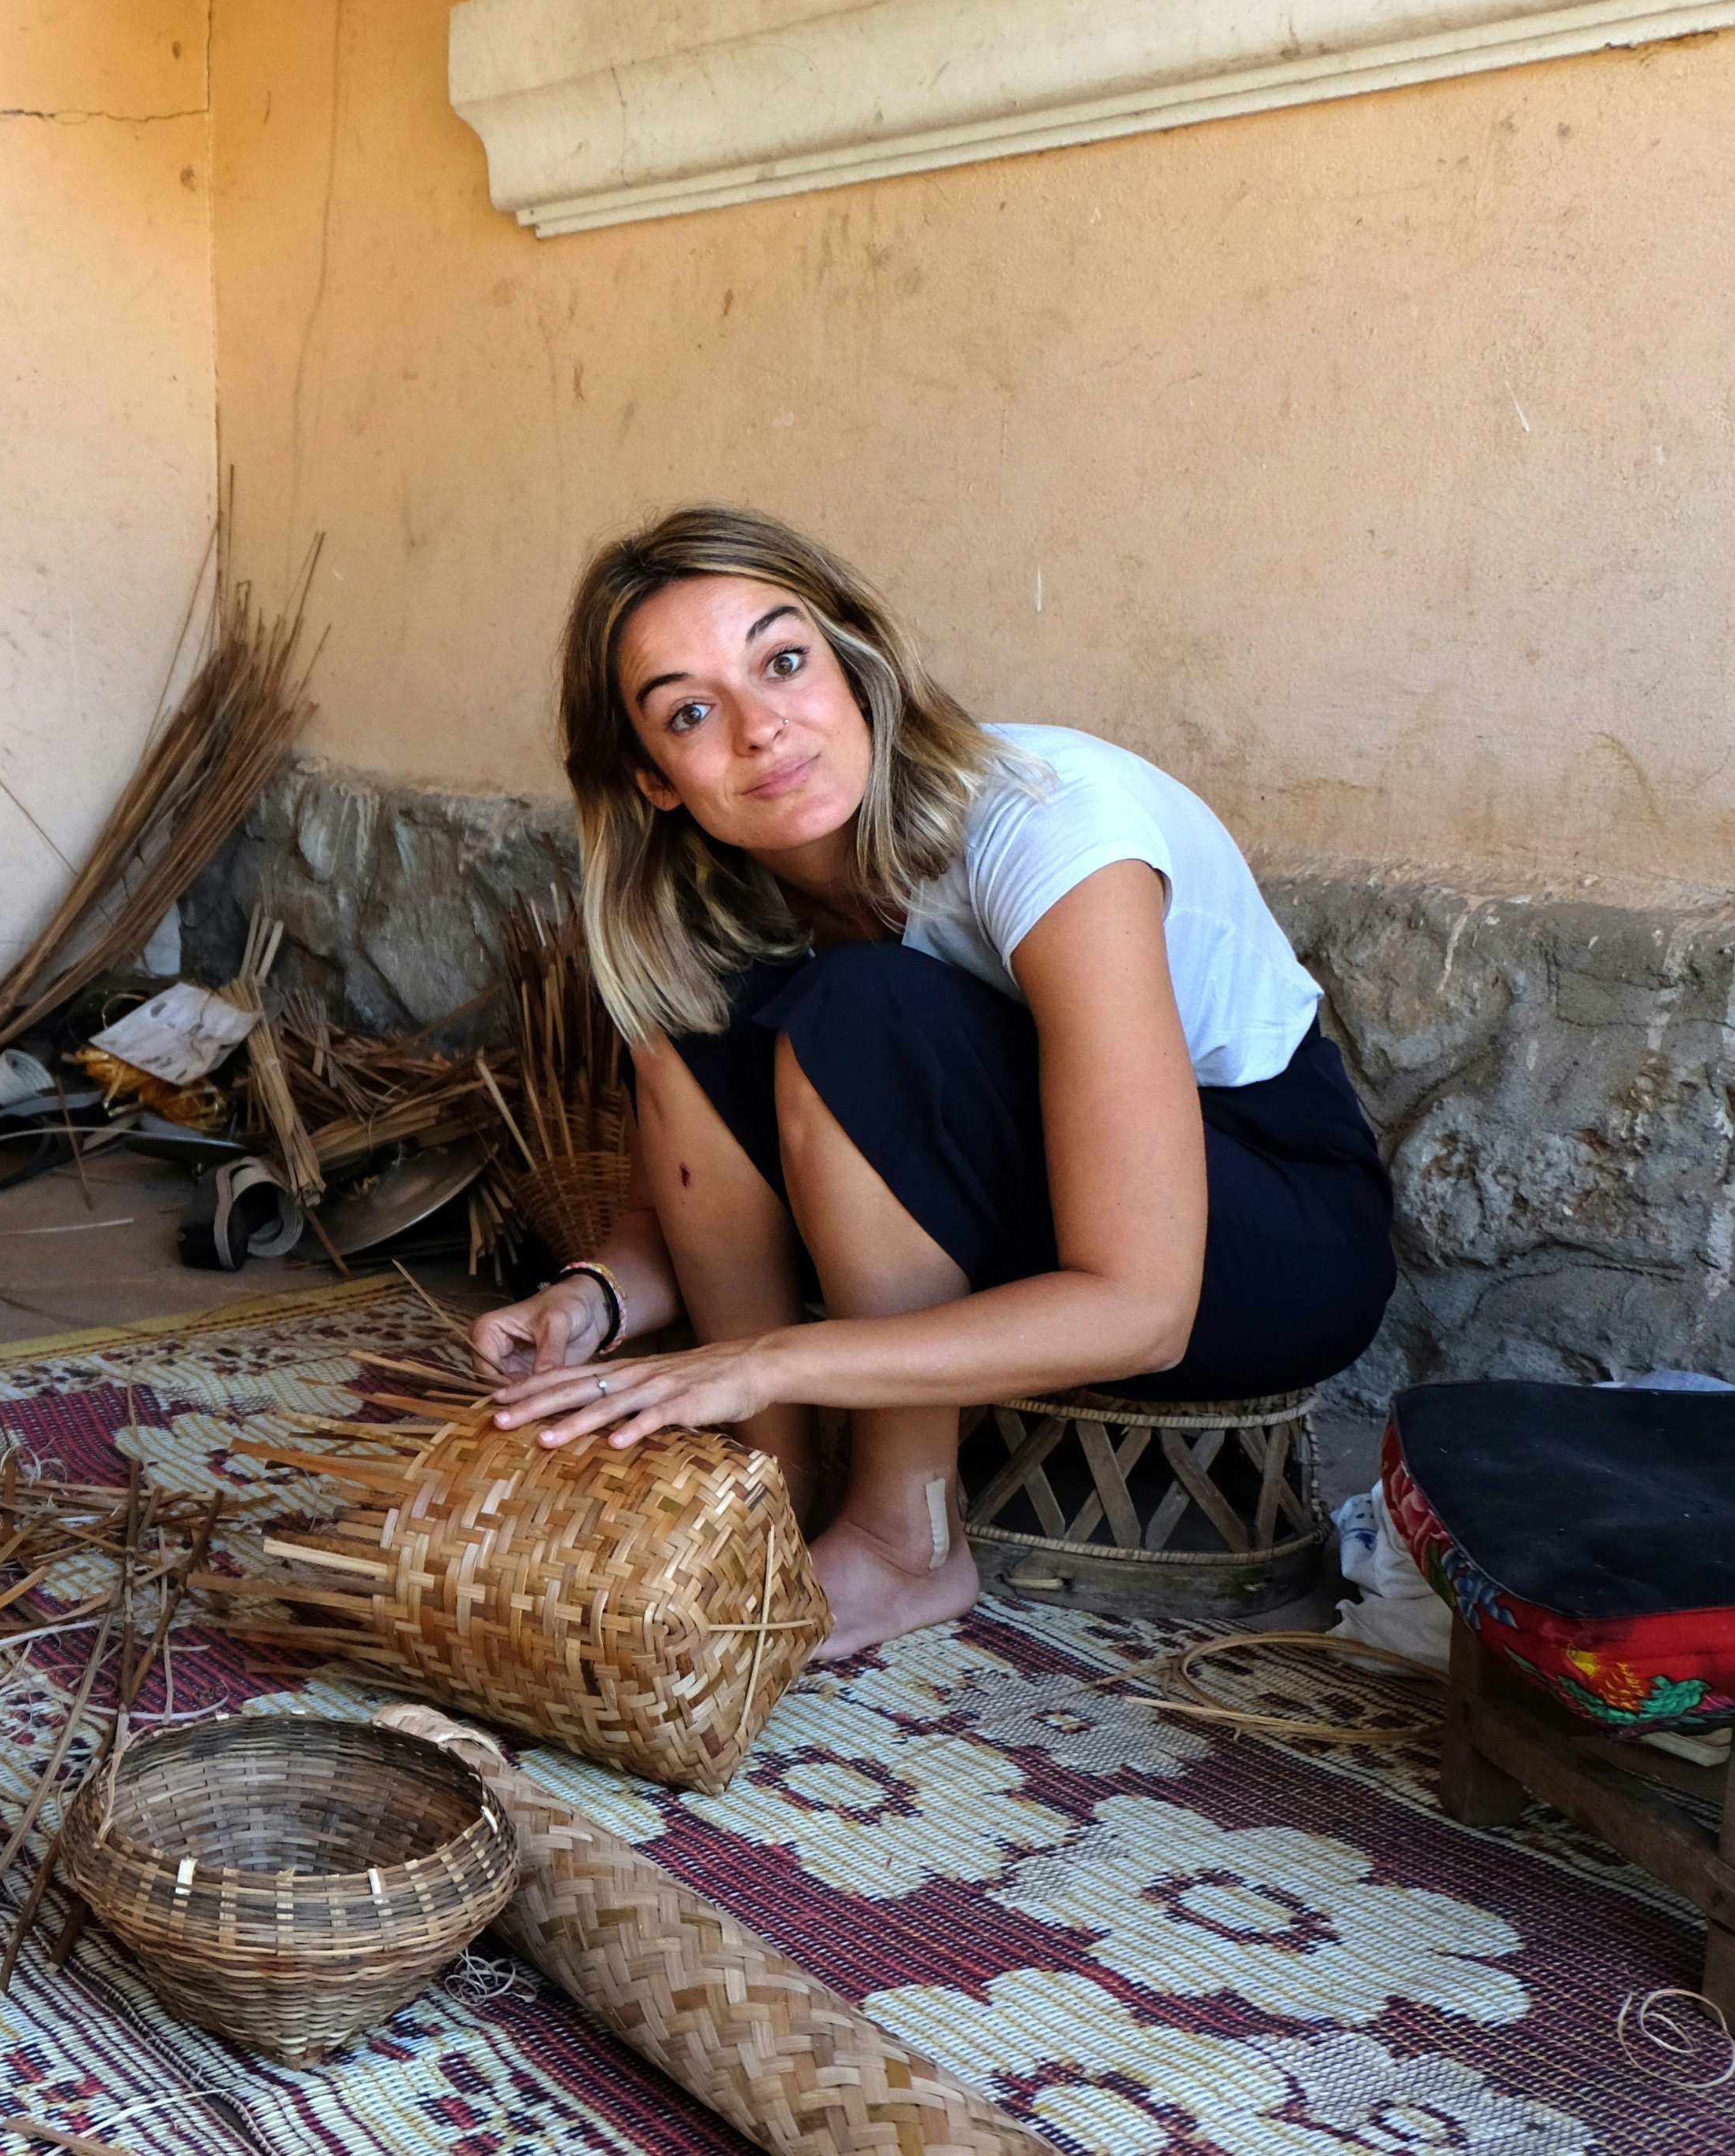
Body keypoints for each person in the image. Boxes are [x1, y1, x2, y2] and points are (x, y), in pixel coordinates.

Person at [465, 506, 1393, 1659]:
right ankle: (772, 1492)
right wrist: (593, 1299)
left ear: (855, 661)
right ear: (653, 777)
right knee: (709, 1003)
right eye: (693, 713)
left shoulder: (1050, 827)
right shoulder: (710, 902)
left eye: (785, 661)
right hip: (1026, 1210)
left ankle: (907, 1538)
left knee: (868, 1008)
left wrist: (758, 1356)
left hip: (1265, 1240)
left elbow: (1144, 1306)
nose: (762, 730)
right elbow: (707, 1195)